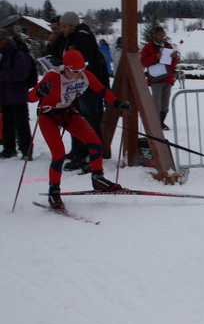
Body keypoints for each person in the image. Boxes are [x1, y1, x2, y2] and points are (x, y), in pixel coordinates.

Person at [28, 50, 132, 209]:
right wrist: (39, 92)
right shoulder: (53, 77)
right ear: (65, 68)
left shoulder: (85, 75)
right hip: (48, 115)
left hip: (68, 112)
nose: (79, 74)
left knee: (95, 143)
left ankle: (98, 179)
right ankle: (54, 192)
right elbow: (29, 97)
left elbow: (101, 90)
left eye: (82, 69)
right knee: (58, 154)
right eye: (75, 71)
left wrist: (118, 103)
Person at [59, 11, 110, 172]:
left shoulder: (83, 39)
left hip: (86, 87)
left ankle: (92, 156)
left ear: (72, 25)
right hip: (77, 87)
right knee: (76, 121)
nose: (63, 29)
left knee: (89, 122)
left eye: (65, 26)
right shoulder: (74, 39)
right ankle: (79, 152)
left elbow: (84, 65)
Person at [0, 29, 34, 160]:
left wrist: (2, 76)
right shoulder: (4, 54)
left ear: (4, 41)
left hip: (17, 95)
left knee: (22, 124)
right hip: (5, 95)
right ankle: (9, 149)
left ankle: (26, 151)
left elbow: (21, 74)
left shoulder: (17, 53)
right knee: (7, 123)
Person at [140, 26, 180, 130]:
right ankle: (156, 122)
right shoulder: (148, 47)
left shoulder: (168, 46)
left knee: (165, 102)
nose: (162, 37)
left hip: (167, 77)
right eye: (160, 35)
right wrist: (155, 57)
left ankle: (161, 121)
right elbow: (143, 62)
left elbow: (173, 63)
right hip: (156, 79)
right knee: (156, 101)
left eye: (163, 35)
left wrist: (174, 58)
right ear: (154, 35)